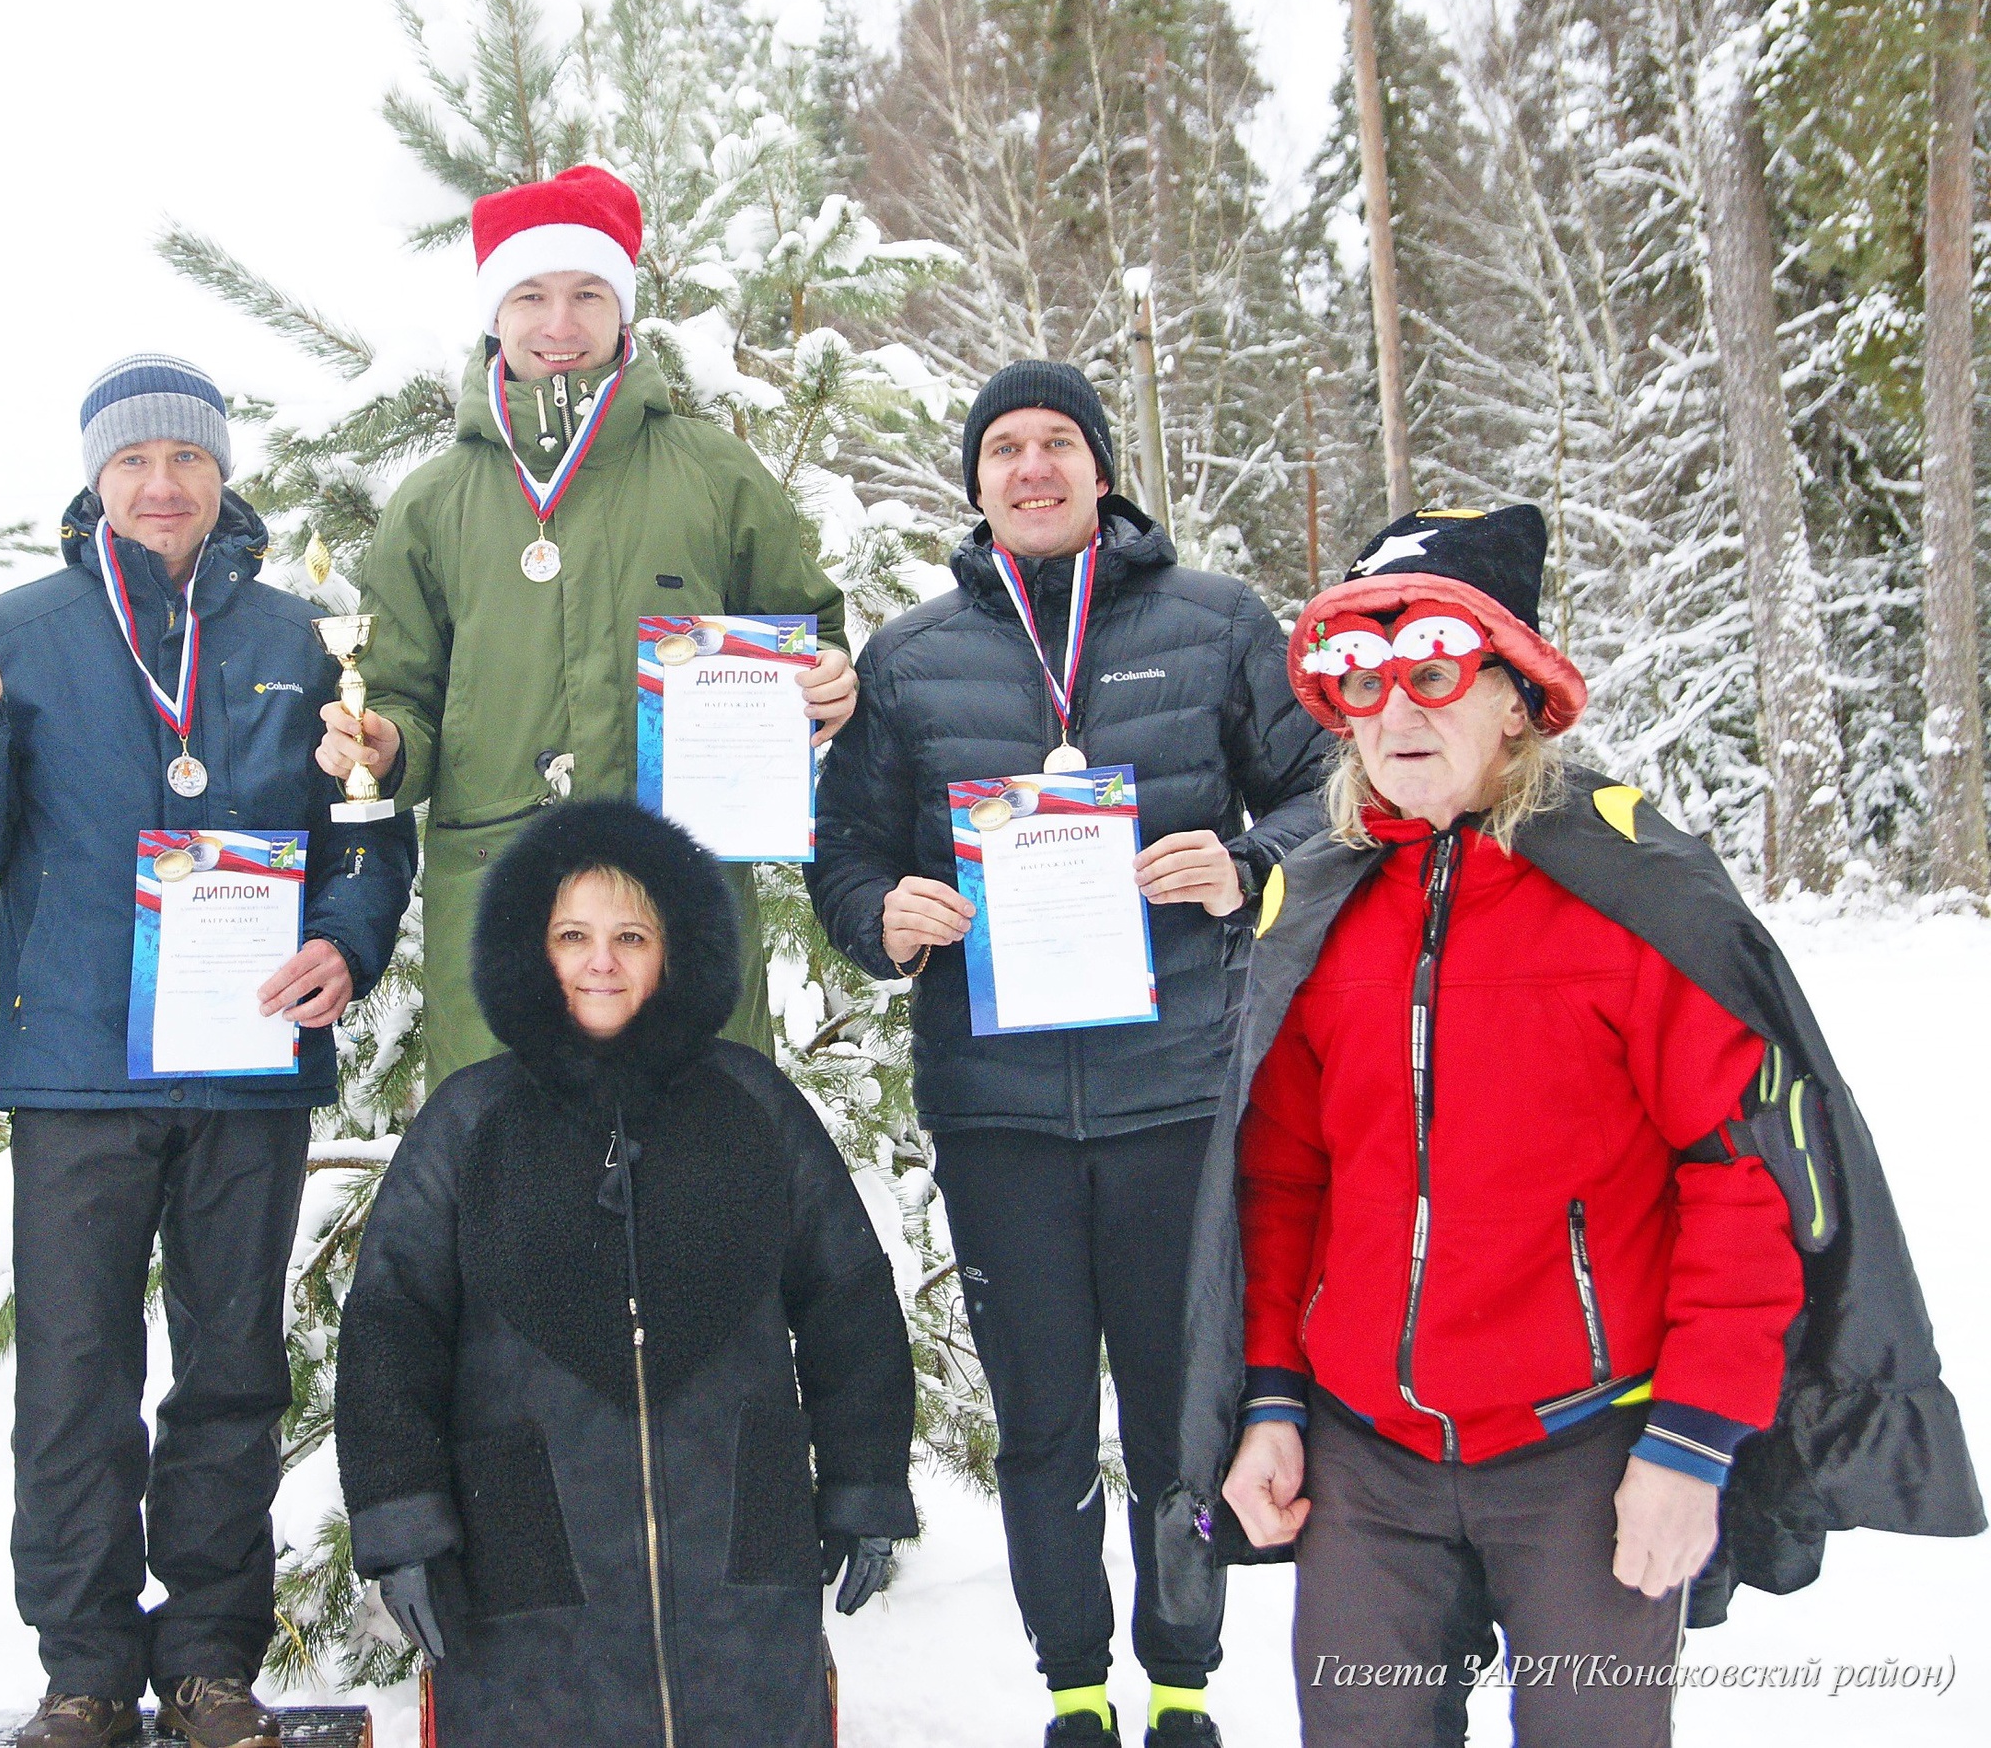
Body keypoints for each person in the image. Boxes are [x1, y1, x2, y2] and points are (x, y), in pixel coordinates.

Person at [1171, 505, 1985, 1745]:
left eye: (1434, 673)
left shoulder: (1630, 896)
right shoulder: (1321, 902)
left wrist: (1694, 1441)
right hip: (1364, 1461)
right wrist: (1274, 1399)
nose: (1395, 715)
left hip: (1587, 1452)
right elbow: (1281, 1182)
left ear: (1517, 695)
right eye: (1359, 681)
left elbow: (1738, 1176)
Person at [0, 355, 415, 1748]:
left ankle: (210, 1664)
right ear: (95, 477)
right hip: (80, 1069)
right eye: (134, 462)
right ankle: (81, 1669)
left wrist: (347, 945)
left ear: (221, 473)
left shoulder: (305, 638)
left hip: (245, 1059)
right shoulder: (23, 628)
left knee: (234, 1366)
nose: (162, 484)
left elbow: (365, 837)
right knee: (74, 1372)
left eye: (186, 458)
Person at [804, 361, 1328, 1747]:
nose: (1032, 469)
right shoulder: (910, 662)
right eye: (1004, 450)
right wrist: (886, 916)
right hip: (1001, 1111)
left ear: (1101, 469)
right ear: (973, 483)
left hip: (1175, 1093)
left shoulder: (1215, 626)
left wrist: (1242, 863)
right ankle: (1076, 1687)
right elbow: (846, 857)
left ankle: (1183, 1681)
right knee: (1040, 1420)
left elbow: (1329, 800)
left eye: (1057, 445)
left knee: (1174, 1417)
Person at [333, 800, 918, 1746]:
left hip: (742, 1575)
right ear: (534, 949)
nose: (601, 961)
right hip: (525, 1581)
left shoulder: (752, 1104)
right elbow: (391, 1323)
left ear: (672, 950)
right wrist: (399, 1518)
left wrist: (864, 1482)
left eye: (630, 935)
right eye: (573, 935)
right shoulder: (470, 1121)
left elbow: (848, 1293)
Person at [314, 163, 858, 1087]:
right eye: (530, 295)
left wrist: (828, 683)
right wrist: (385, 742)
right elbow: (403, 694)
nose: (558, 324)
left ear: (623, 309)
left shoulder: (713, 473)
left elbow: (807, 631)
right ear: (495, 312)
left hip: (680, 890)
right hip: (498, 895)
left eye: (586, 293)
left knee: (699, 1169)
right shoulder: (433, 502)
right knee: (511, 1179)